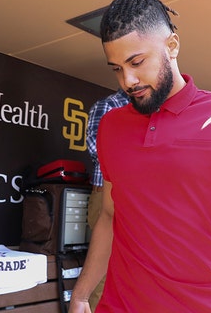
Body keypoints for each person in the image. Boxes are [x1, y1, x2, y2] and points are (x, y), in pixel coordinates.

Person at [69, 0, 211, 312]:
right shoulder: (110, 126)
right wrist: (81, 294)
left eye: (136, 62)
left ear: (172, 46)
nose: (127, 81)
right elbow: (109, 215)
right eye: (116, 68)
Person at [84, 89, 129, 311]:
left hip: (138, 200)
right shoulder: (109, 105)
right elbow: (97, 150)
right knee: (104, 275)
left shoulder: (153, 110)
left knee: (130, 273)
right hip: (106, 196)